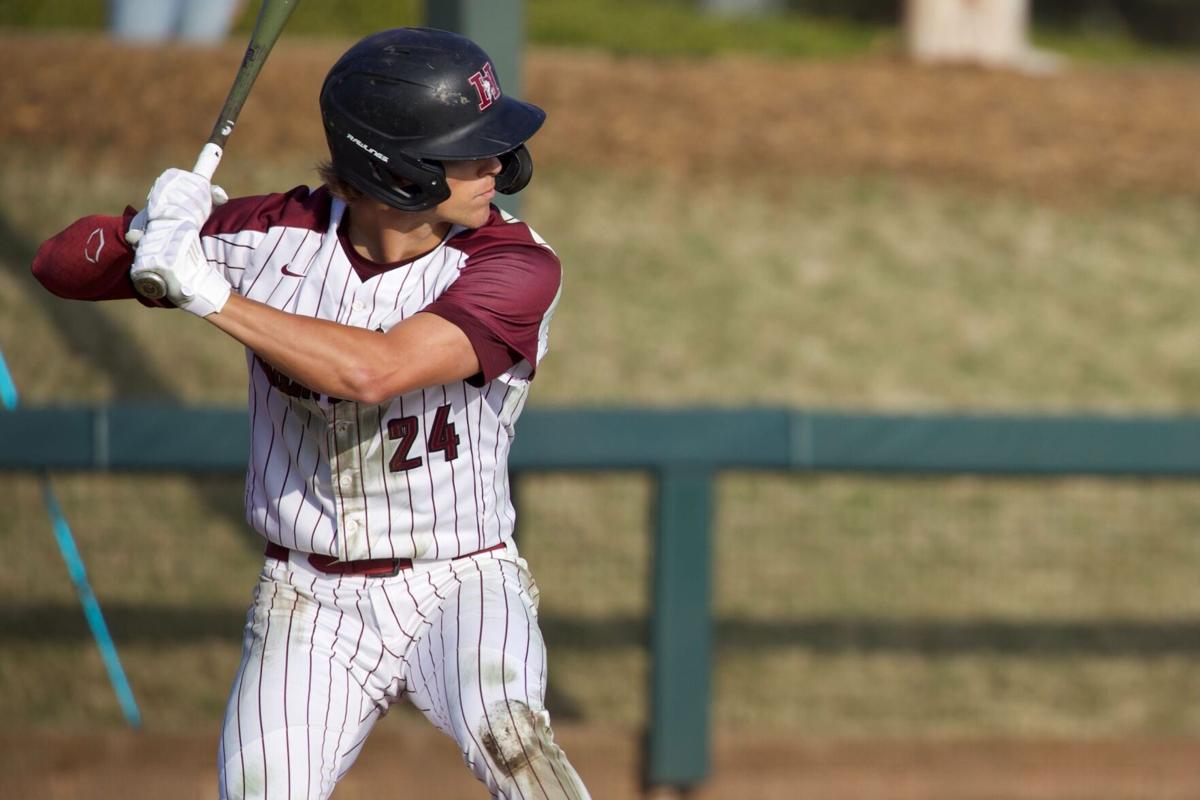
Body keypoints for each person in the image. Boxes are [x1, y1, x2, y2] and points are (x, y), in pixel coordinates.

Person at [32, 27, 590, 800]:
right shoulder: (270, 235)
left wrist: (207, 294)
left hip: (462, 583)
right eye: (469, 150)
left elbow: (374, 370)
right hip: (310, 601)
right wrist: (144, 231)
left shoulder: (515, 265)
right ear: (395, 169)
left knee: (514, 741)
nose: (497, 164)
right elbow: (56, 266)